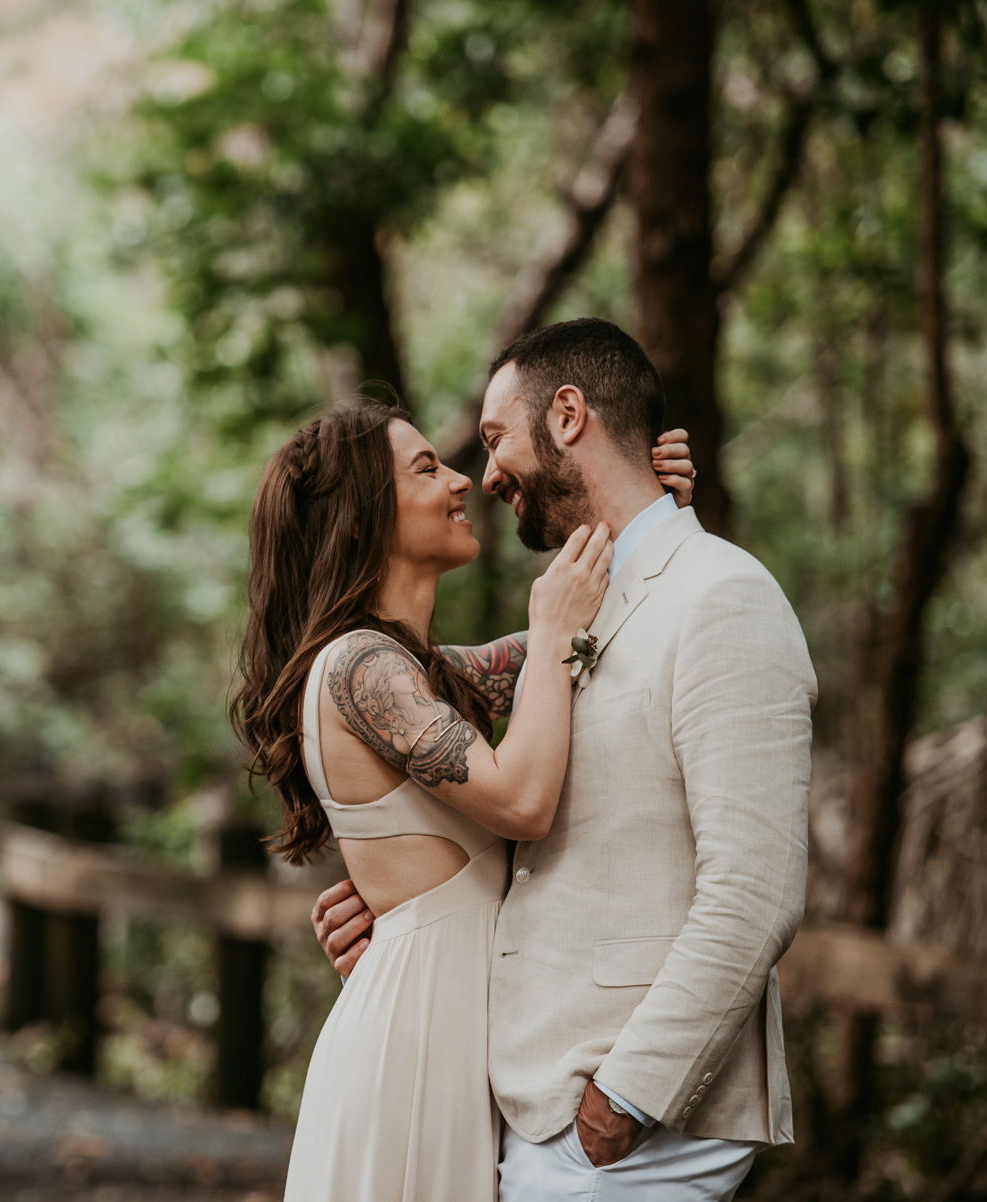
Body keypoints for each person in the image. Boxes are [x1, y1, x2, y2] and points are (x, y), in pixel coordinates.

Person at [309, 318, 818, 1201]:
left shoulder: (722, 596)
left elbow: (756, 891)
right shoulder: (571, 617)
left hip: (624, 1128)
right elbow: (434, 714)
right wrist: (402, 905)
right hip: (524, 1111)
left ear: (571, 414)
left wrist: (625, 1100)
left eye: (497, 438)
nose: (487, 472)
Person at [232, 377, 695, 1200]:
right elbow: (521, 799)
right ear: (366, 515)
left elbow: (598, 616)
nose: (458, 482)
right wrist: (556, 630)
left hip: (455, 1031)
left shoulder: (428, 672)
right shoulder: (359, 667)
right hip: (414, 1042)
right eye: (424, 470)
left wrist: (645, 509)